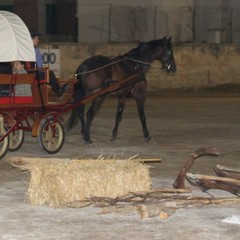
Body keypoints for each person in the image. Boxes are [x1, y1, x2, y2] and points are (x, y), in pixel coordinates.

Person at [26, 32, 67, 97]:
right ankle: (58, 91)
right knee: (50, 73)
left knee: (49, 72)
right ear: (31, 39)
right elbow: (40, 64)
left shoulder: (25, 49)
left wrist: (44, 68)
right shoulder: (35, 50)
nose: (38, 40)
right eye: (36, 39)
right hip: (34, 73)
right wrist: (45, 69)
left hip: (29, 72)